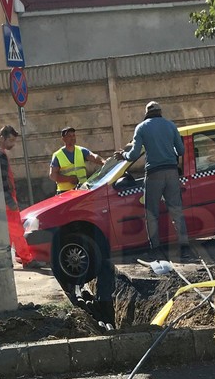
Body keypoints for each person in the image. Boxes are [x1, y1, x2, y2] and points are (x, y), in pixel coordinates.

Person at [115, 101, 194, 260]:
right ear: (160, 112)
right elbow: (181, 150)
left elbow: (133, 154)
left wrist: (122, 155)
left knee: (151, 213)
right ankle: (184, 246)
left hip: (153, 174)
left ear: (147, 113)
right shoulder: (171, 126)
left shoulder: (142, 128)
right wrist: (168, 152)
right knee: (176, 210)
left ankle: (155, 248)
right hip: (172, 172)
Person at [0, 125, 40, 268]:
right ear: (1, 137)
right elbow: (2, 180)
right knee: (17, 230)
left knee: (9, 233)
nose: (12, 144)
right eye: (10, 140)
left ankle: (5, 260)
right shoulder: (0, 155)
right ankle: (27, 259)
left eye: (14, 141)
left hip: (5, 199)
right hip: (7, 199)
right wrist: (9, 200)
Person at [49, 127, 105, 194]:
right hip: (65, 192)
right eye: (69, 136)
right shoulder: (57, 155)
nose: (72, 138)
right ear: (63, 139)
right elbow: (53, 175)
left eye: (73, 135)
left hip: (82, 189)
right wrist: (69, 179)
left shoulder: (81, 150)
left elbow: (93, 157)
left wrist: (104, 162)